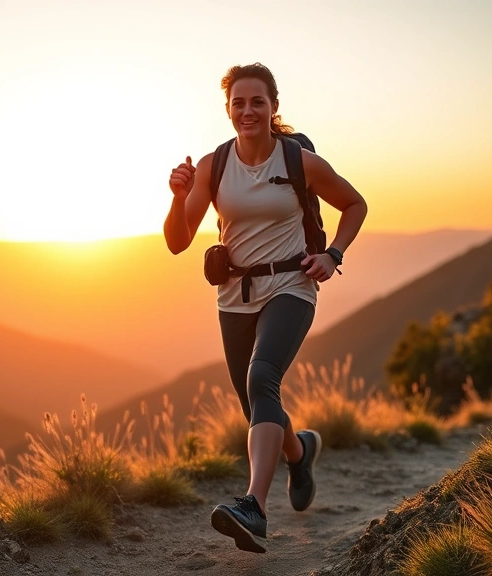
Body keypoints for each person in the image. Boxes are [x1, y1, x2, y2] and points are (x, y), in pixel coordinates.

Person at [163, 62, 367, 553]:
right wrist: (177, 197)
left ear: (274, 107)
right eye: (239, 102)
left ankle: (254, 507)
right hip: (234, 295)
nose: (248, 110)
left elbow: (354, 204)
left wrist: (332, 253)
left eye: (258, 101)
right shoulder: (214, 165)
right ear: (228, 110)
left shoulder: (298, 161)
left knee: (261, 378)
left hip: (292, 285)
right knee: (257, 401)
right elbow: (176, 241)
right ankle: (300, 451)